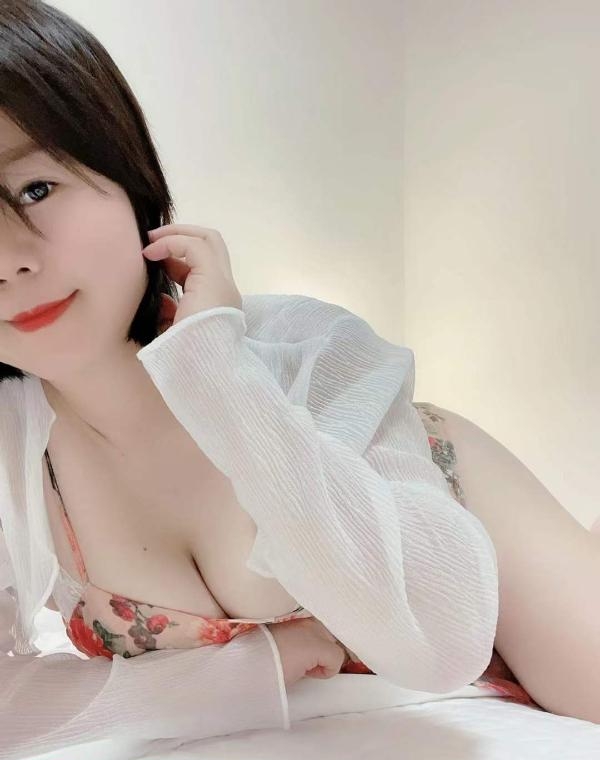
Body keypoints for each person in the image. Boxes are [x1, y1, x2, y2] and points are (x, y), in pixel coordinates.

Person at [0, 2, 499, 758]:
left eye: (35, 190)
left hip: (456, 491)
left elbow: (443, 644)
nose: (9, 260)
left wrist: (218, 373)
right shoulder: (14, 445)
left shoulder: (306, 347)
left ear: (127, 170)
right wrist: (246, 672)